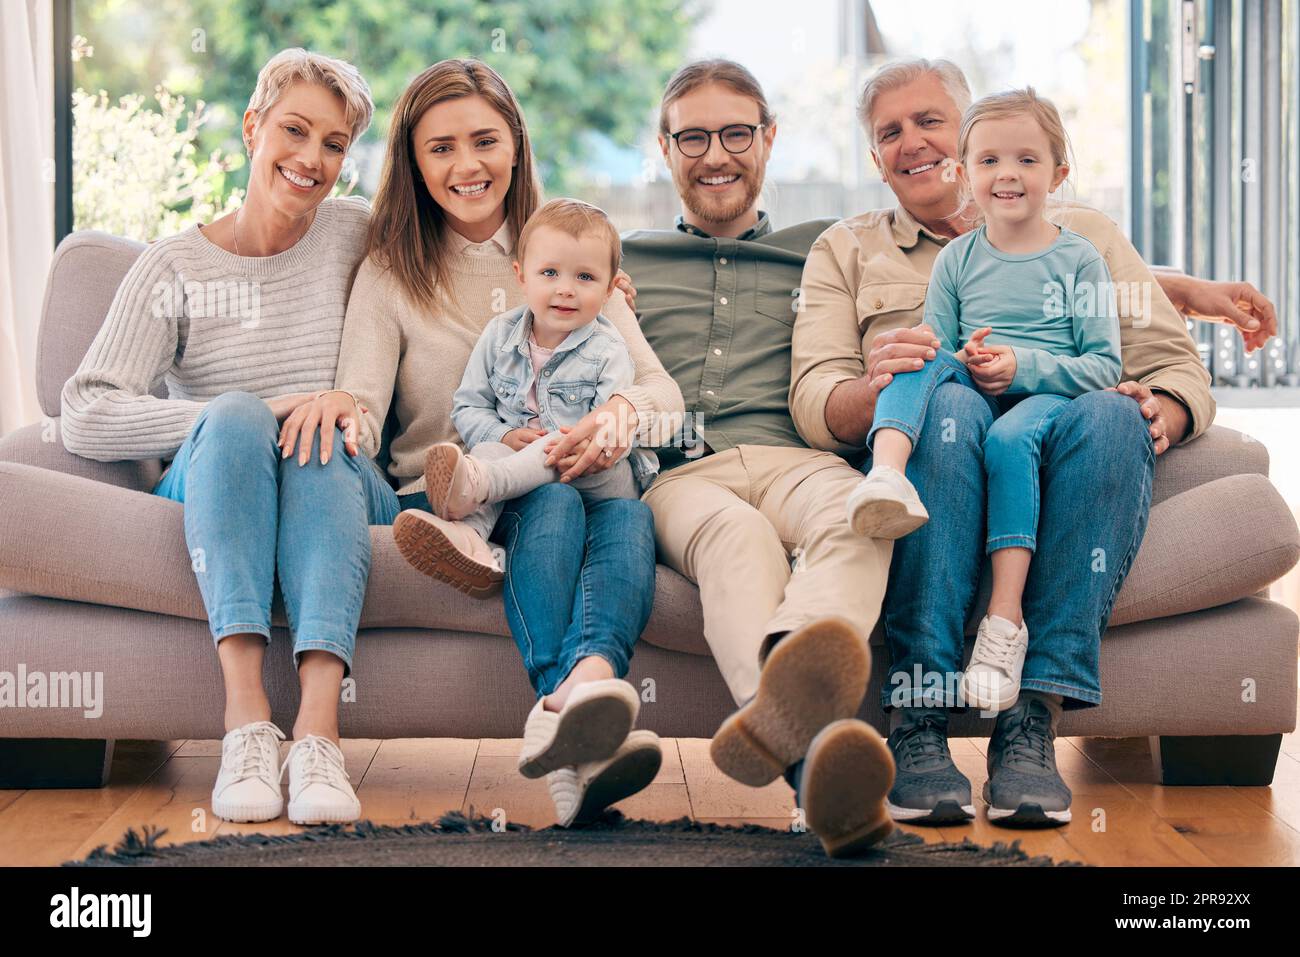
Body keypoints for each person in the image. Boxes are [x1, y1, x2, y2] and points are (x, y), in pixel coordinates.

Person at [790, 57, 1266, 827]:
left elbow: (1173, 363)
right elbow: (814, 399)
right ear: (875, 159)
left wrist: (1164, 412)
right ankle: (920, 716)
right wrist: (884, 383)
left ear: (972, 132)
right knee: (948, 409)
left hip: (1059, 438)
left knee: (1111, 414)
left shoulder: (1085, 238)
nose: (912, 142)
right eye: (889, 132)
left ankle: (1031, 719)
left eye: (930, 120)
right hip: (934, 445)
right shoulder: (845, 249)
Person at [278, 60, 682, 827]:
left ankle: (576, 702)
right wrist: (332, 410)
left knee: (629, 517)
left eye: (484, 141)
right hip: (460, 485)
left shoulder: (566, 254)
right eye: (440, 148)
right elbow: (361, 414)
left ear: (517, 145)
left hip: (575, 472)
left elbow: (660, 393)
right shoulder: (391, 272)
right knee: (556, 500)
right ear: (413, 162)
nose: (466, 166)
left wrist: (617, 415)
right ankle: (566, 697)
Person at [61, 49, 379, 825]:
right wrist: (244, 409)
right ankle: (246, 724)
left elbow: (472, 245)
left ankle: (316, 737)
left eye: (333, 144)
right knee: (238, 414)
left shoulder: (358, 233)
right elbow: (84, 407)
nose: (311, 159)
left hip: (338, 475)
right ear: (251, 128)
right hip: (218, 475)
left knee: (317, 430)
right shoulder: (174, 264)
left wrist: (598, 281)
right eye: (295, 131)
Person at [617, 60, 898, 858]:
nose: (717, 155)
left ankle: (789, 676)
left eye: (736, 132)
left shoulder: (829, 248)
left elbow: (991, 250)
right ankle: (813, 757)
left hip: (798, 458)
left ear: (769, 139)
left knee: (864, 510)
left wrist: (1169, 287)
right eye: (694, 137)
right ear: (665, 148)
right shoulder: (619, 258)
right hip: (683, 475)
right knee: (735, 538)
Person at [852, 88, 1123, 725]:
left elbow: (1104, 367)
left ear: (1058, 173)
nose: (1007, 175)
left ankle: (1005, 619)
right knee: (914, 352)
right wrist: (966, 357)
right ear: (964, 174)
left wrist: (1020, 367)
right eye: (990, 161)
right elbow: (941, 350)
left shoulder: (1080, 259)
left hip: (1048, 401)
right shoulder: (956, 259)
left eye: (1027, 161)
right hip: (969, 397)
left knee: (1006, 442)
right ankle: (887, 473)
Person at [425, 198, 658, 531]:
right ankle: (467, 538)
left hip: (600, 476)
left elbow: (610, 439)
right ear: (521, 276)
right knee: (490, 450)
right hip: (522, 471)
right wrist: (503, 435)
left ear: (609, 290)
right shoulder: (499, 335)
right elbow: (468, 406)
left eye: (585, 277)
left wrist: (555, 448)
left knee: (547, 449)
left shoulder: (609, 351)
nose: (565, 289)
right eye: (549, 273)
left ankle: (482, 483)